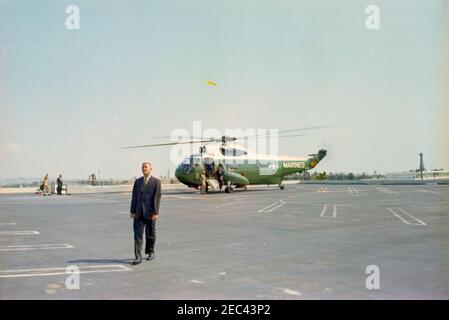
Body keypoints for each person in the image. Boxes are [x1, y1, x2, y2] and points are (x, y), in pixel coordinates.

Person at [130, 162, 161, 265]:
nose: (144, 169)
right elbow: (134, 197)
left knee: (150, 234)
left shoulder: (156, 182)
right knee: (137, 235)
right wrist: (132, 211)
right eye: (143, 167)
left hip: (150, 213)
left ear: (151, 168)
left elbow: (157, 198)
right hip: (139, 213)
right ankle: (138, 256)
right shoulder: (138, 182)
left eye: (146, 167)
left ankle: (151, 252)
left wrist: (156, 212)